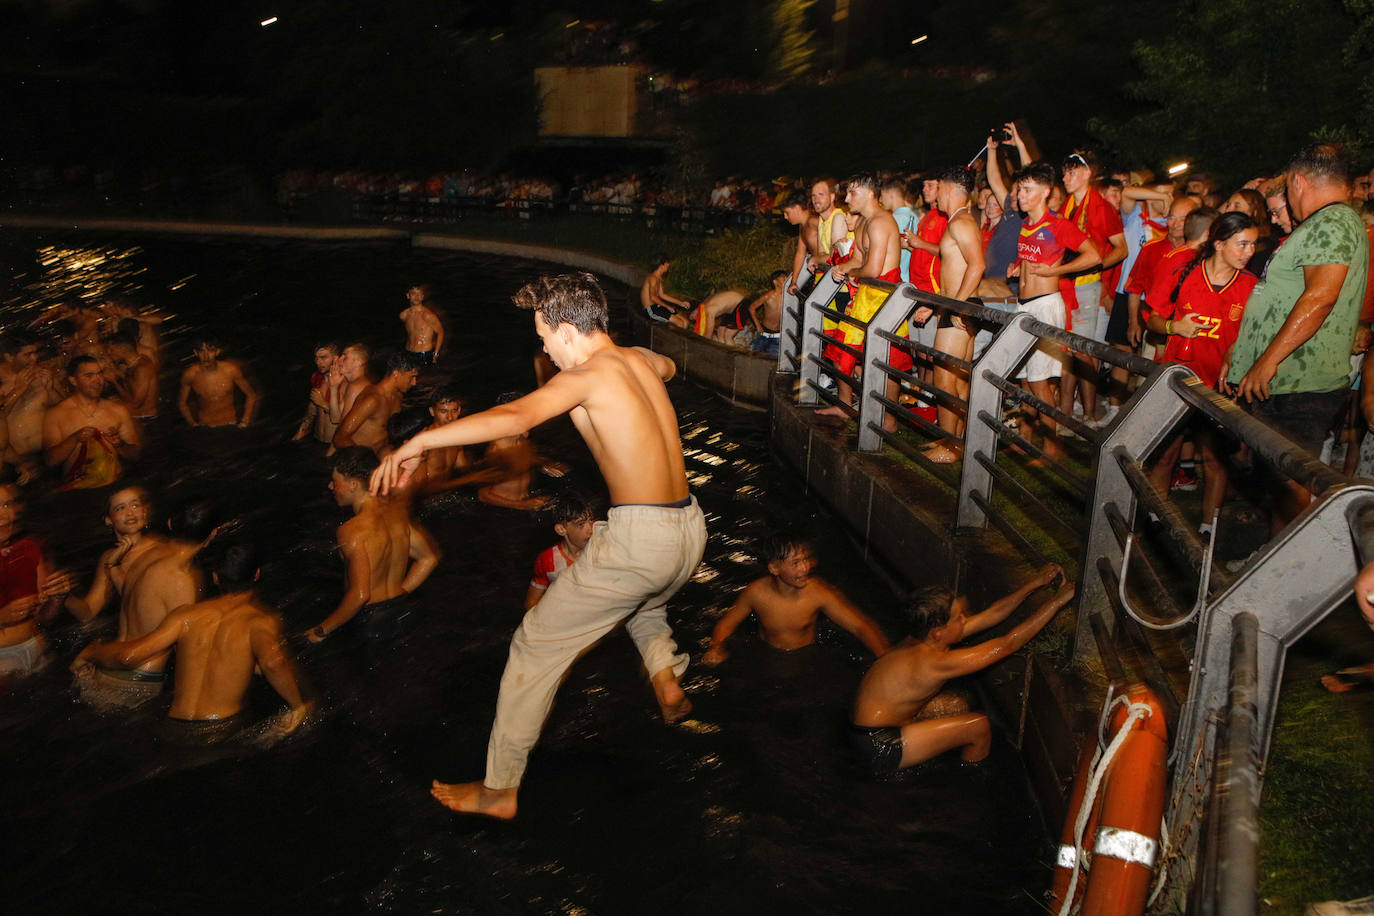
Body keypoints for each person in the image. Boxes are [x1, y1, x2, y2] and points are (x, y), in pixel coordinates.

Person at [373, 272, 707, 820]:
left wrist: (419, 440)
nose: (545, 349)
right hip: (688, 531)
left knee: (533, 645)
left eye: (544, 337)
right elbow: (668, 366)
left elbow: (519, 415)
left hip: (642, 540)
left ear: (566, 328)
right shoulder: (638, 361)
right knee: (645, 597)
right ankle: (666, 680)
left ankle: (499, 789)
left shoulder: (590, 375)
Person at [1229, 144, 1371, 527]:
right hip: (1288, 380)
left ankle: (1292, 576)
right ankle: (1276, 566)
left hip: (1298, 381)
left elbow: (1321, 296)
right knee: (1279, 483)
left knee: (1290, 487)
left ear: (1299, 181)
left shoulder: (1332, 222)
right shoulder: (1324, 224)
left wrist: (1267, 360)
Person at [72, 543, 312, 744]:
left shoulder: (186, 616)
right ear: (257, 574)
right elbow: (274, 661)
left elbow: (129, 657)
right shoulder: (259, 621)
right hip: (221, 730)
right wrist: (298, 705)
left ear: (216, 577)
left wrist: (92, 650)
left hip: (172, 730)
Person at [848, 564, 1074, 773]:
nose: (965, 620)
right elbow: (1007, 645)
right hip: (877, 744)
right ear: (938, 631)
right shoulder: (933, 662)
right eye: (958, 618)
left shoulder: (922, 638)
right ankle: (970, 776)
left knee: (957, 705)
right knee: (978, 727)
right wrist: (1056, 603)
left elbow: (992, 614)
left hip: (866, 726)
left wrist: (1036, 582)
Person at [1144, 212, 1259, 536]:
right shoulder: (1183, 273)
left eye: (1252, 244)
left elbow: (1253, 334)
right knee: (1166, 454)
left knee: (1214, 459)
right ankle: (1155, 517)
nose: (1248, 251)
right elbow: (1153, 319)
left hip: (1219, 389)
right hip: (1178, 381)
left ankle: (1208, 526)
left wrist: (1237, 350)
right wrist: (1174, 327)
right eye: (1242, 244)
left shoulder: (1251, 286)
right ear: (1219, 243)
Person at [61, 487, 192, 707]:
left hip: (139, 669)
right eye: (120, 508)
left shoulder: (163, 552)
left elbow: (174, 619)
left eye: (135, 504)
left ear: (145, 511)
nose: (130, 512)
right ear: (108, 520)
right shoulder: (109, 557)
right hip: (111, 664)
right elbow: (87, 613)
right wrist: (64, 595)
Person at [1011, 162, 1101, 461]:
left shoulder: (1058, 225)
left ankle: (1053, 448)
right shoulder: (1027, 225)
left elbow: (1094, 256)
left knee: (1039, 381)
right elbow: (1030, 258)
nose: (1020, 195)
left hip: (1046, 306)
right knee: (1026, 378)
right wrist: (1018, 268)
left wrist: (1059, 269)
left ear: (1045, 192)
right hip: (1025, 306)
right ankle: (1024, 438)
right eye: (1020, 189)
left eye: (1027, 190)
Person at [307, 447, 439, 642]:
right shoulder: (397, 516)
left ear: (353, 485)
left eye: (335, 482)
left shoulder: (351, 531)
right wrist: (401, 591)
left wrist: (321, 631)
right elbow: (429, 558)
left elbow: (360, 595)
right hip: (404, 614)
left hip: (369, 623)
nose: (329, 487)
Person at [702, 534, 888, 664]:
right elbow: (727, 623)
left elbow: (860, 626)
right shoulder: (757, 593)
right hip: (767, 655)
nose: (805, 568)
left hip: (806, 658)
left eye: (806, 560)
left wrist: (885, 658)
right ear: (774, 568)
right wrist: (716, 647)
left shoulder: (818, 592)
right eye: (795, 563)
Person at [816, 174, 903, 423]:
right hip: (865, 296)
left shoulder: (880, 222)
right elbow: (859, 259)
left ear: (870, 194)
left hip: (882, 298)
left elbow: (873, 269)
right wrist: (843, 267)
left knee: (886, 361)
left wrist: (853, 271)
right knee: (843, 351)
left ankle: (888, 421)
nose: (846, 198)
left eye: (852, 193)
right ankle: (845, 406)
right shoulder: (865, 222)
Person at [1058, 150, 1127, 426]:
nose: (1065, 178)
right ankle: (1065, 413)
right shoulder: (1067, 205)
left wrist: (1094, 268)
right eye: (1064, 173)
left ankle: (1088, 414)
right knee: (1069, 348)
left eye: (1071, 172)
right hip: (1066, 285)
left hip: (1086, 287)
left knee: (1084, 350)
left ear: (1088, 174)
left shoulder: (1100, 207)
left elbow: (1121, 249)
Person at [923, 166, 987, 463]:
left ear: (950, 189)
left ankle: (951, 447)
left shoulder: (961, 221)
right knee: (958, 381)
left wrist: (954, 306)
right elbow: (958, 271)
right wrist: (939, 305)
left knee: (944, 379)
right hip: (959, 305)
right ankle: (954, 442)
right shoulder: (960, 221)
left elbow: (977, 266)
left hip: (961, 308)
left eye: (938, 189)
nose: (934, 196)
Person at [0, 483, 70, 677]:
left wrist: (57, 599)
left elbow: (43, 617)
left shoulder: (29, 550)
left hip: (37, 649)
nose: (4, 515)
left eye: (7, 505)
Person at [43, 355, 141, 489]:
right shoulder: (56, 414)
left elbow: (135, 454)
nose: (98, 380)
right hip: (78, 489)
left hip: (114, 484)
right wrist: (74, 439)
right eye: (89, 376)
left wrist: (119, 444)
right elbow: (50, 461)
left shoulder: (118, 410)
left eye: (99, 374)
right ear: (73, 381)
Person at [333, 351, 420, 455]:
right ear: (396, 373)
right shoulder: (372, 400)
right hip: (359, 462)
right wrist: (366, 462)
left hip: (378, 458)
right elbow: (340, 438)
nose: (414, 383)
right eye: (412, 377)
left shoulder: (398, 397)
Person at [2, 333, 59, 484]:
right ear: (9, 357)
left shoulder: (42, 374)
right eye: (27, 355)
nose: (34, 359)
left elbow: (62, 408)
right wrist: (18, 391)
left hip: (45, 454)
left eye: (35, 353)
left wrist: (51, 388)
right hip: (13, 460)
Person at [524, 492, 596, 610]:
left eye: (592, 521)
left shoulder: (603, 551)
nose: (592, 530)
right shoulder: (548, 560)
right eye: (581, 524)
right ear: (561, 529)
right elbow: (531, 603)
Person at [177, 339, 259, 428]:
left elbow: (251, 395)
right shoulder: (191, 374)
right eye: (201, 351)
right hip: (205, 426)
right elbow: (182, 402)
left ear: (217, 351)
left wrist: (245, 421)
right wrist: (192, 424)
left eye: (210, 351)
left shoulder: (230, 370)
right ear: (196, 353)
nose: (206, 356)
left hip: (230, 424)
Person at [327, 343, 373, 454]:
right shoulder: (349, 383)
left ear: (359, 362)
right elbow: (335, 419)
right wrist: (333, 388)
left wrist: (329, 456)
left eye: (345, 356)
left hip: (357, 451)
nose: (339, 359)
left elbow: (341, 432)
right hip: (355, 449)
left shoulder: (357, 386)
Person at [293, 342, 341, 444]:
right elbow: (311, 411)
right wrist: (300, 432)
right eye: (316, 358)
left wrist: (323, 403)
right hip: (317, 440)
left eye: (323, 358)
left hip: (336, 446)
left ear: (336, 358)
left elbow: (344, 419)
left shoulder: (345, 383)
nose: (318, 362)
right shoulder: (317, 378)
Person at [105, 328, 158, 419]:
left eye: (111, 350)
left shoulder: (142, 368)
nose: (108, 353)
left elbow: (135, 403)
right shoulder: (134, 364)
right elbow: (132, 384)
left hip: (145, 418)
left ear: (122, 348)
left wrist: (114, 381)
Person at [399, 284, 444, 366]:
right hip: (408, 352)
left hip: (425, 353)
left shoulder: (428, 315)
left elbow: (440, 332)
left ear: (423, 297)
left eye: (419, 294)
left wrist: (436, 354)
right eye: (413, 293)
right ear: (408, 296)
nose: (416, 296)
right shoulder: (403, 315)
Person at [748, 270, 789, 357]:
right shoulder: (768, 296)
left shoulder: (790, 297)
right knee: (754, 360)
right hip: (764, 335)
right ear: (775, 281)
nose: (786, 279)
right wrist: (758, 325)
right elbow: (751, 308)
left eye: (787, 277)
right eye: (783, 278)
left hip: (778, 336)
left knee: (772, 364)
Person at [640, 255, 692, 322]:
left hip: (657, 307)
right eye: (667, 263)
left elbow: (662, 295)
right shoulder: (653, 278)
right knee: (679, 323)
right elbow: (653, 297)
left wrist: (680, 303)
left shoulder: (658, 277)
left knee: (685, 322)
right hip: (650, 310)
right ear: (662, 265)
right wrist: (667, 306)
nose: (668, 265)